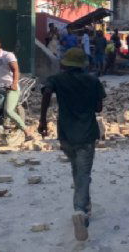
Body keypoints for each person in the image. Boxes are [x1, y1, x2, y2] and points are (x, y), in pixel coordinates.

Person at [38, 47, 106, 241]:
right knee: (83, 173)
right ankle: (80, 210)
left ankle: (85, 204)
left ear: (65, 64)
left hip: (66, 135)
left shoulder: (57, 79)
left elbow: (46, 93)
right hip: (86, 134)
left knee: (77, 170)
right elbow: (99, 107)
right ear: (83, 64)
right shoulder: (92, 80)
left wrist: (42, 121)